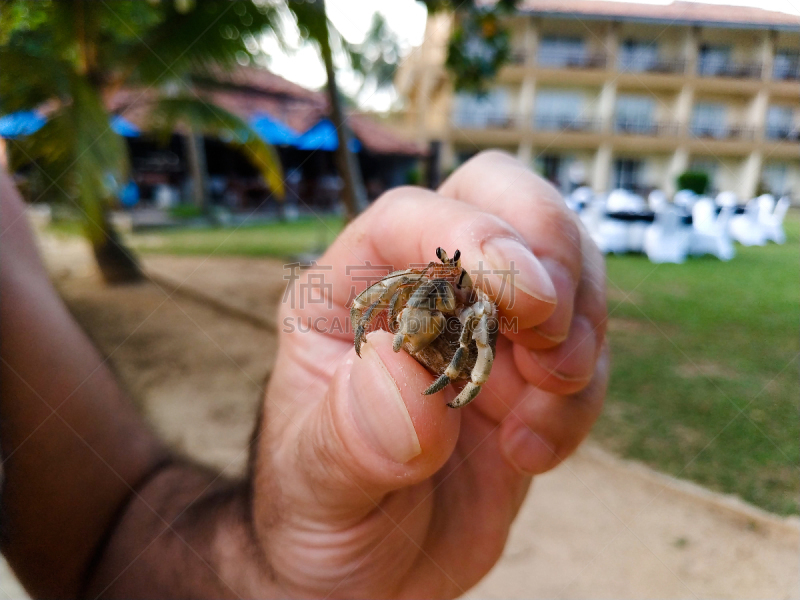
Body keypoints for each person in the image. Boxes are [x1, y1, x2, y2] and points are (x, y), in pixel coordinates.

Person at [0, 151, 608, 599]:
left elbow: (105, 538)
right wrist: (372, 325)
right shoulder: (421, 282)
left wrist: (274, 570)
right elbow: (385, 298)